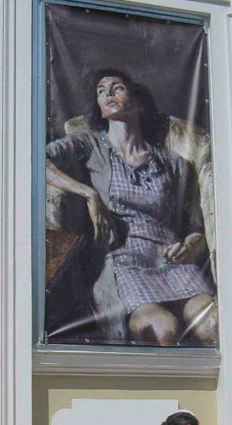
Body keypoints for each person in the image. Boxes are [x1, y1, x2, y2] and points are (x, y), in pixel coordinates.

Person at [46, 69, 218, 347]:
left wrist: (188, 246)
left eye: (117, 87)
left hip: (172, 261)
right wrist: (88, 193)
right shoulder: (90, 144)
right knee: (162, 330)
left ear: (136, 101)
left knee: (213, 324)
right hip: (123, 260)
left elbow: (194, 226)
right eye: (101, 91)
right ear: (100, 108)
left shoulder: (173, 163)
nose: (108, 93)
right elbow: (38, 159)